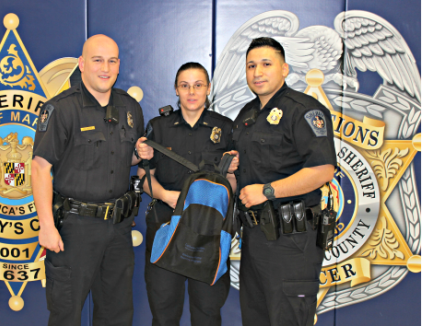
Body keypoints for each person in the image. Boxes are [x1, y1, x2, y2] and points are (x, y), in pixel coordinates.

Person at [32, 34, 153, 326]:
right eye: (97, 60)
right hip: (75, 230)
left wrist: (140, 154)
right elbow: (38, 168)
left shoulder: (129, 108)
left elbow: (127, 160)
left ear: (119, 65)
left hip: (118, 229)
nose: (105, 68)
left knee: (117, 313)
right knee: (66, 314)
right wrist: (46, 226)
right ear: (82, 64)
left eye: (112, 61)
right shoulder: (60, 109)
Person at [232, 37, 336, 326]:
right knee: (256, 319)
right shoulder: (246, 116)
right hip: (254, 238)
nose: (257, 72)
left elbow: (323, 170)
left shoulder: (303, 110)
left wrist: (267, 191)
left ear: (285, 68)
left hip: (291, 242)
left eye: (266, 64)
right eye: (251, 65)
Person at [137, 62, 238, 326]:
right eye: (184, 85)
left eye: (198, 85)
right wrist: (167, 196)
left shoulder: (226, 129)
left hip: (209, 233)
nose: (191, 92)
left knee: (207, 313)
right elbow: (144, 177)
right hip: (166, 227)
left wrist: (231, 173)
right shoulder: (158, 126)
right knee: (164, 312)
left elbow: (232, 186)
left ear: (208, 89)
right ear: (176, 89)